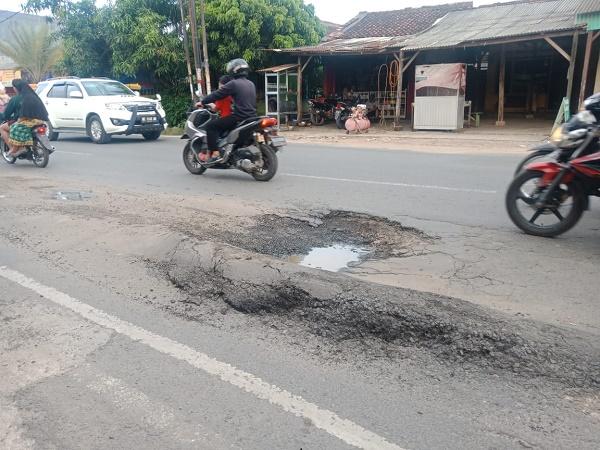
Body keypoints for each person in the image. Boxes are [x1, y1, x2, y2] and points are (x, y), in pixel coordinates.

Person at [197, 58, 256, 162]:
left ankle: (214, 152)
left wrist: (202, 102)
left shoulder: (234, 84)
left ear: (233, 70)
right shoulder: (251, 84)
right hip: (252, 117)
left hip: (239, 117)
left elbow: (217, 94)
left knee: (211, 126)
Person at [0, 79, 48, 156]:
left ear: (16, 88)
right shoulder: (34, 96)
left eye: (14, 87)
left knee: (2, 127)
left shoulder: (15, 99)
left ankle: (14, 149)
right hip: (40, 121)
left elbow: (7, 114)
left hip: (24, 121)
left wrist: (4, 117)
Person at [199, 74, 234, 162]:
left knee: (210, 127)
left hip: (226, 118)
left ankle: (215, 152)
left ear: (223, 85)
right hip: (237, 118)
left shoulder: (222, 95)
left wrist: (209, 104)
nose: (219, 86)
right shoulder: (234, 93)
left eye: (220, 84)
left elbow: (215, 109)